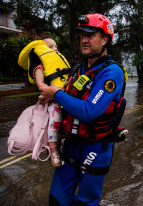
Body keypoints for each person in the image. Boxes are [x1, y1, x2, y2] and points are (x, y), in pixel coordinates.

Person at [38, 13, 127, 205]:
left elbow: (89, 111)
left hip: (95, 148)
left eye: (90, 35)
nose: (84, 40)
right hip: (70, 144)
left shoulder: (112, 72)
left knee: (86, 202)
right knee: (56, 200)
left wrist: (56, 94)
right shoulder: (78, 68)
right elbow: (67, 100)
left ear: (104, 40)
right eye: (82, 36)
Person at [18, 36, 71, 167]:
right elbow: (41, 85)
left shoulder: (60, 64)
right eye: (50, 47)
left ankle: (65, 143)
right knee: (55, 117)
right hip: (54, 101)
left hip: (67, 97)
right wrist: (56, 93)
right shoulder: (40, 68)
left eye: (56, 47)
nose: (55, 50)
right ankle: (53, 150)